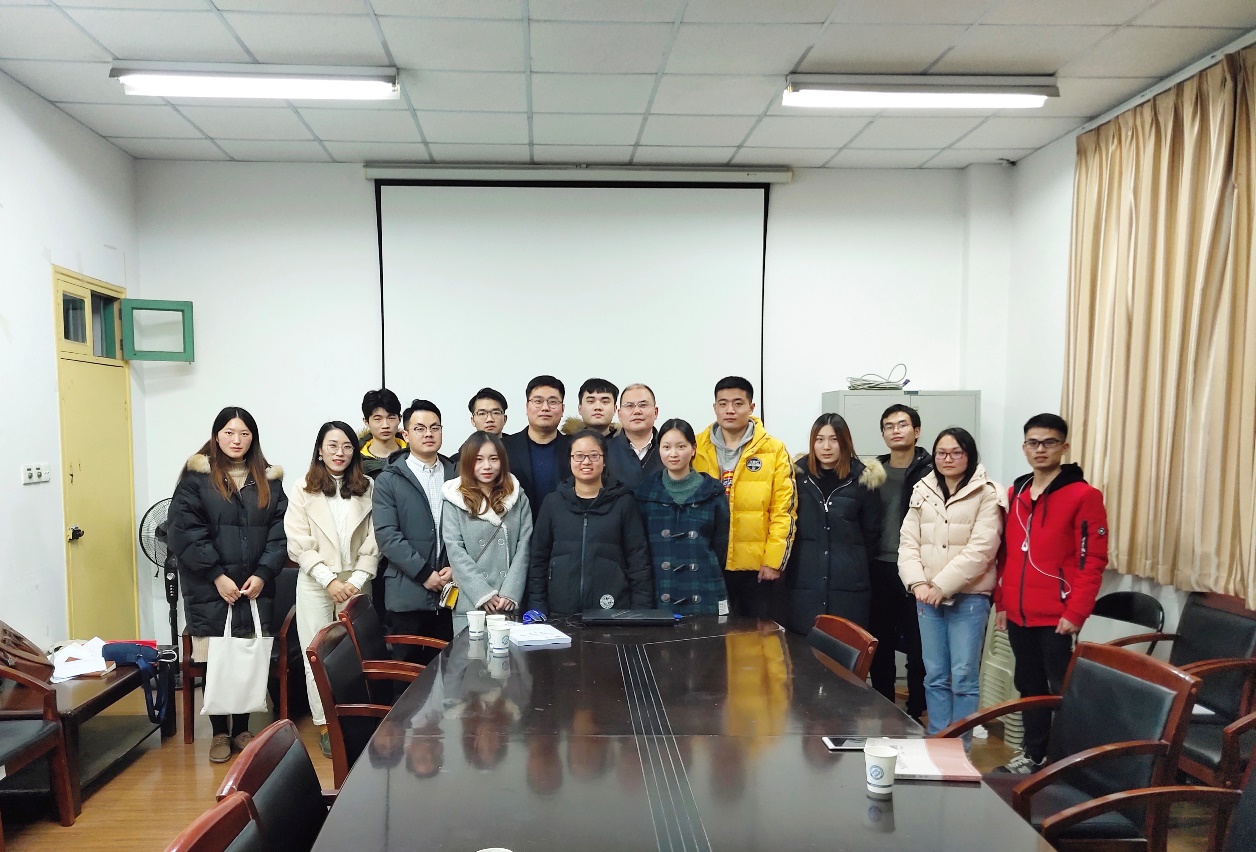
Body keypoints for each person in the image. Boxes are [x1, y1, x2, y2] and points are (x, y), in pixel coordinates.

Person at [168, 406, 287, 764]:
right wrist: (217, 575)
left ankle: (242, 729)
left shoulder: (269, 480)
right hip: (210, 587)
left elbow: (280, 533)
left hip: (254, 587)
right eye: (229, 433)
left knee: (246, 657)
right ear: (216, 436)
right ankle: (220, 731)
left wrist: (263, 573)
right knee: (215, 656)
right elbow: (185, 533)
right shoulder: (196, 479)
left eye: (244, 433)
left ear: (253, 438)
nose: (237, 440)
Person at [995, 413, 1109, 774]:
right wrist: (1002, 602)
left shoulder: (1084, 496)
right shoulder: (1016, 493)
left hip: (1058, 616)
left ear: (1064, 446)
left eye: (1049, 442)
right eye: (1033, 442)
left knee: (1062, 689)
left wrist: (1076, 612)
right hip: (1018, 613)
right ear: (1024, 447)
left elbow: (1092, 560)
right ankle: (1034, 755)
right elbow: (1005, 555)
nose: (1040, 449)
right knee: (1028, 685)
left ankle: (1070, 763)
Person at [898, 427, 1005, 744]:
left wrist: (941, 586)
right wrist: (917, 582)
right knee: (934, 676)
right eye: (941, 453)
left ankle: (960, 749)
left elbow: (982, 550)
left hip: (969, 599)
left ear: (969, 455)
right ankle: (937, 743)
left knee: (963, 678)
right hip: (925, 597)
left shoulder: (987, 492)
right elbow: (908, 542)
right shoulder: (922, 489)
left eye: (956, 452)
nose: (948, 459)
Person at [285, 421, 379, 759]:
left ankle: (357, 719)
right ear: (320, 450)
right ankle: (327, 724)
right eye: (332, 445)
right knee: (317, 654)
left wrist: (355, 580)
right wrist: (329, 580)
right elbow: (298, 541)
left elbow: (375, 537)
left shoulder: (368, 486)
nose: (340, 453)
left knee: (355, 653)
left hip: (357, 580)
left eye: (347, 446)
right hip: (315, 581)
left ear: (355, 451)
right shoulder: (302, 488)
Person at [693, 376, 796, 619]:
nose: (730, 410)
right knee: (710, 634)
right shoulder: (695, 447)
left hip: (756, 568)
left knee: (755, 637)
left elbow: (784, 511)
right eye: (723, 403)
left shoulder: (774, 450)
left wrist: (774, 561)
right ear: (714, 407)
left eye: (738, 403)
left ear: (751, 407)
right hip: (708, 561)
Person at [526, 430, 652, 617]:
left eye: (594, 456)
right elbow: (538, 559)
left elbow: (638, 561)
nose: (586, 462)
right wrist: (537, 606)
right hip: (559, 612)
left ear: (604, 460)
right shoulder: (553, 503)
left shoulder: (623, 502)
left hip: (611, 612)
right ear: (570, 460)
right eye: (579, 456)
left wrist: (641, 613)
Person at [781, 414, 884, 635]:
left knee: (845, 647)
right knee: (802, 649)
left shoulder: (863, 480)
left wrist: (852, 564)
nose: (826, 447)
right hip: (803, 582)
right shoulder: (796, 477)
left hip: (848, 585)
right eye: (819, 440)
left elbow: (872, 533)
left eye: (834, 439)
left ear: (845, 442)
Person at [373, 399, 456, 661]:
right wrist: (424, 574)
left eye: (435, 427)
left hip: (451, 591)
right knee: (406, 673)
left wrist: (454, 567)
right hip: (406, 594)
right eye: (420, 428)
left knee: (447, 670)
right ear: (406, 435)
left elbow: (467, 529)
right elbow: (387, 536)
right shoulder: (389, 479)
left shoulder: (457, 475)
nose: (428, 434)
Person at [870, 403, 930, 720]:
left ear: (916, 431)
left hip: (918, 570)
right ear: (883, 434)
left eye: (902, 424)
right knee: (879, 643)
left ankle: (916, 709)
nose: (896, 430)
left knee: (918, 647)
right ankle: (884, 705)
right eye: (889, 426)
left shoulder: (931, 470)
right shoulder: (872, 472)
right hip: (878, 567)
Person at [441, 431, 533, 635]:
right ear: (468, 462)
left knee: (509, 654)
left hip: (507, 603)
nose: (487, 466)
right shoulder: (454, 498)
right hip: (470, 602)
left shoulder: (517, 496)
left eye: (493, 459)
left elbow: (524, 546)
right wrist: (482, 593)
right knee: (471, 654)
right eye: (478, 459)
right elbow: (455, 550)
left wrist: (510, 592)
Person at [634, 418, 729, 615]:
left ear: (693, 449)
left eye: (681, 446)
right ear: (659, 450)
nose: (673, 453)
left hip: (704, 588)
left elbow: (720, 546)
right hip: (660, 588)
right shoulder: (645, 494)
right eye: (666, 447)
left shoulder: (713, 492)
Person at [502, 375, 572, 520]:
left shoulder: (575, 449)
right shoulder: (504, 448)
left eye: (553, 402)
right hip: (517, 529)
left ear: (562, 409)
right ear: (527, 407)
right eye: (538, 401)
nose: (545, 408)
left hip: (564, 529)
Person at [606, 382, 662, 490]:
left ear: (655, 412)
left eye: (643, 405)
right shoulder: (605, 450)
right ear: (619, 414)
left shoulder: (670, 450)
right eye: (629, 406)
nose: (637, 411)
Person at [359, 389, 406, 479]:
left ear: (400, 419)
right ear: (366, 422)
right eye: (377, 419)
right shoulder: (355, 460)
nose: (385, 425)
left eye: (391, 418)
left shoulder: (414, 454)